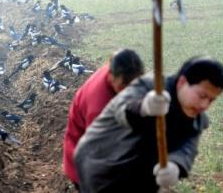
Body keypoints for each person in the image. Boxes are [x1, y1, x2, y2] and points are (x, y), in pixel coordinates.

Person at [74, 56, 223, 193]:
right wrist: (143, 107)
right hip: (102, 165)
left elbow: (187, 148)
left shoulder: (197, 120)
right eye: (202, 96)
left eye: (211, 100)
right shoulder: (150, 86)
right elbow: (120, 109)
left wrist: (175, 165)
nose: (205, 105)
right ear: (182, 82)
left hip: (141, 175)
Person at [63, 48, 145, 189]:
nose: (128, 93)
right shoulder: (99, 106)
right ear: (112, 76)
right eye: (123, 87)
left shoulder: (119, 70)